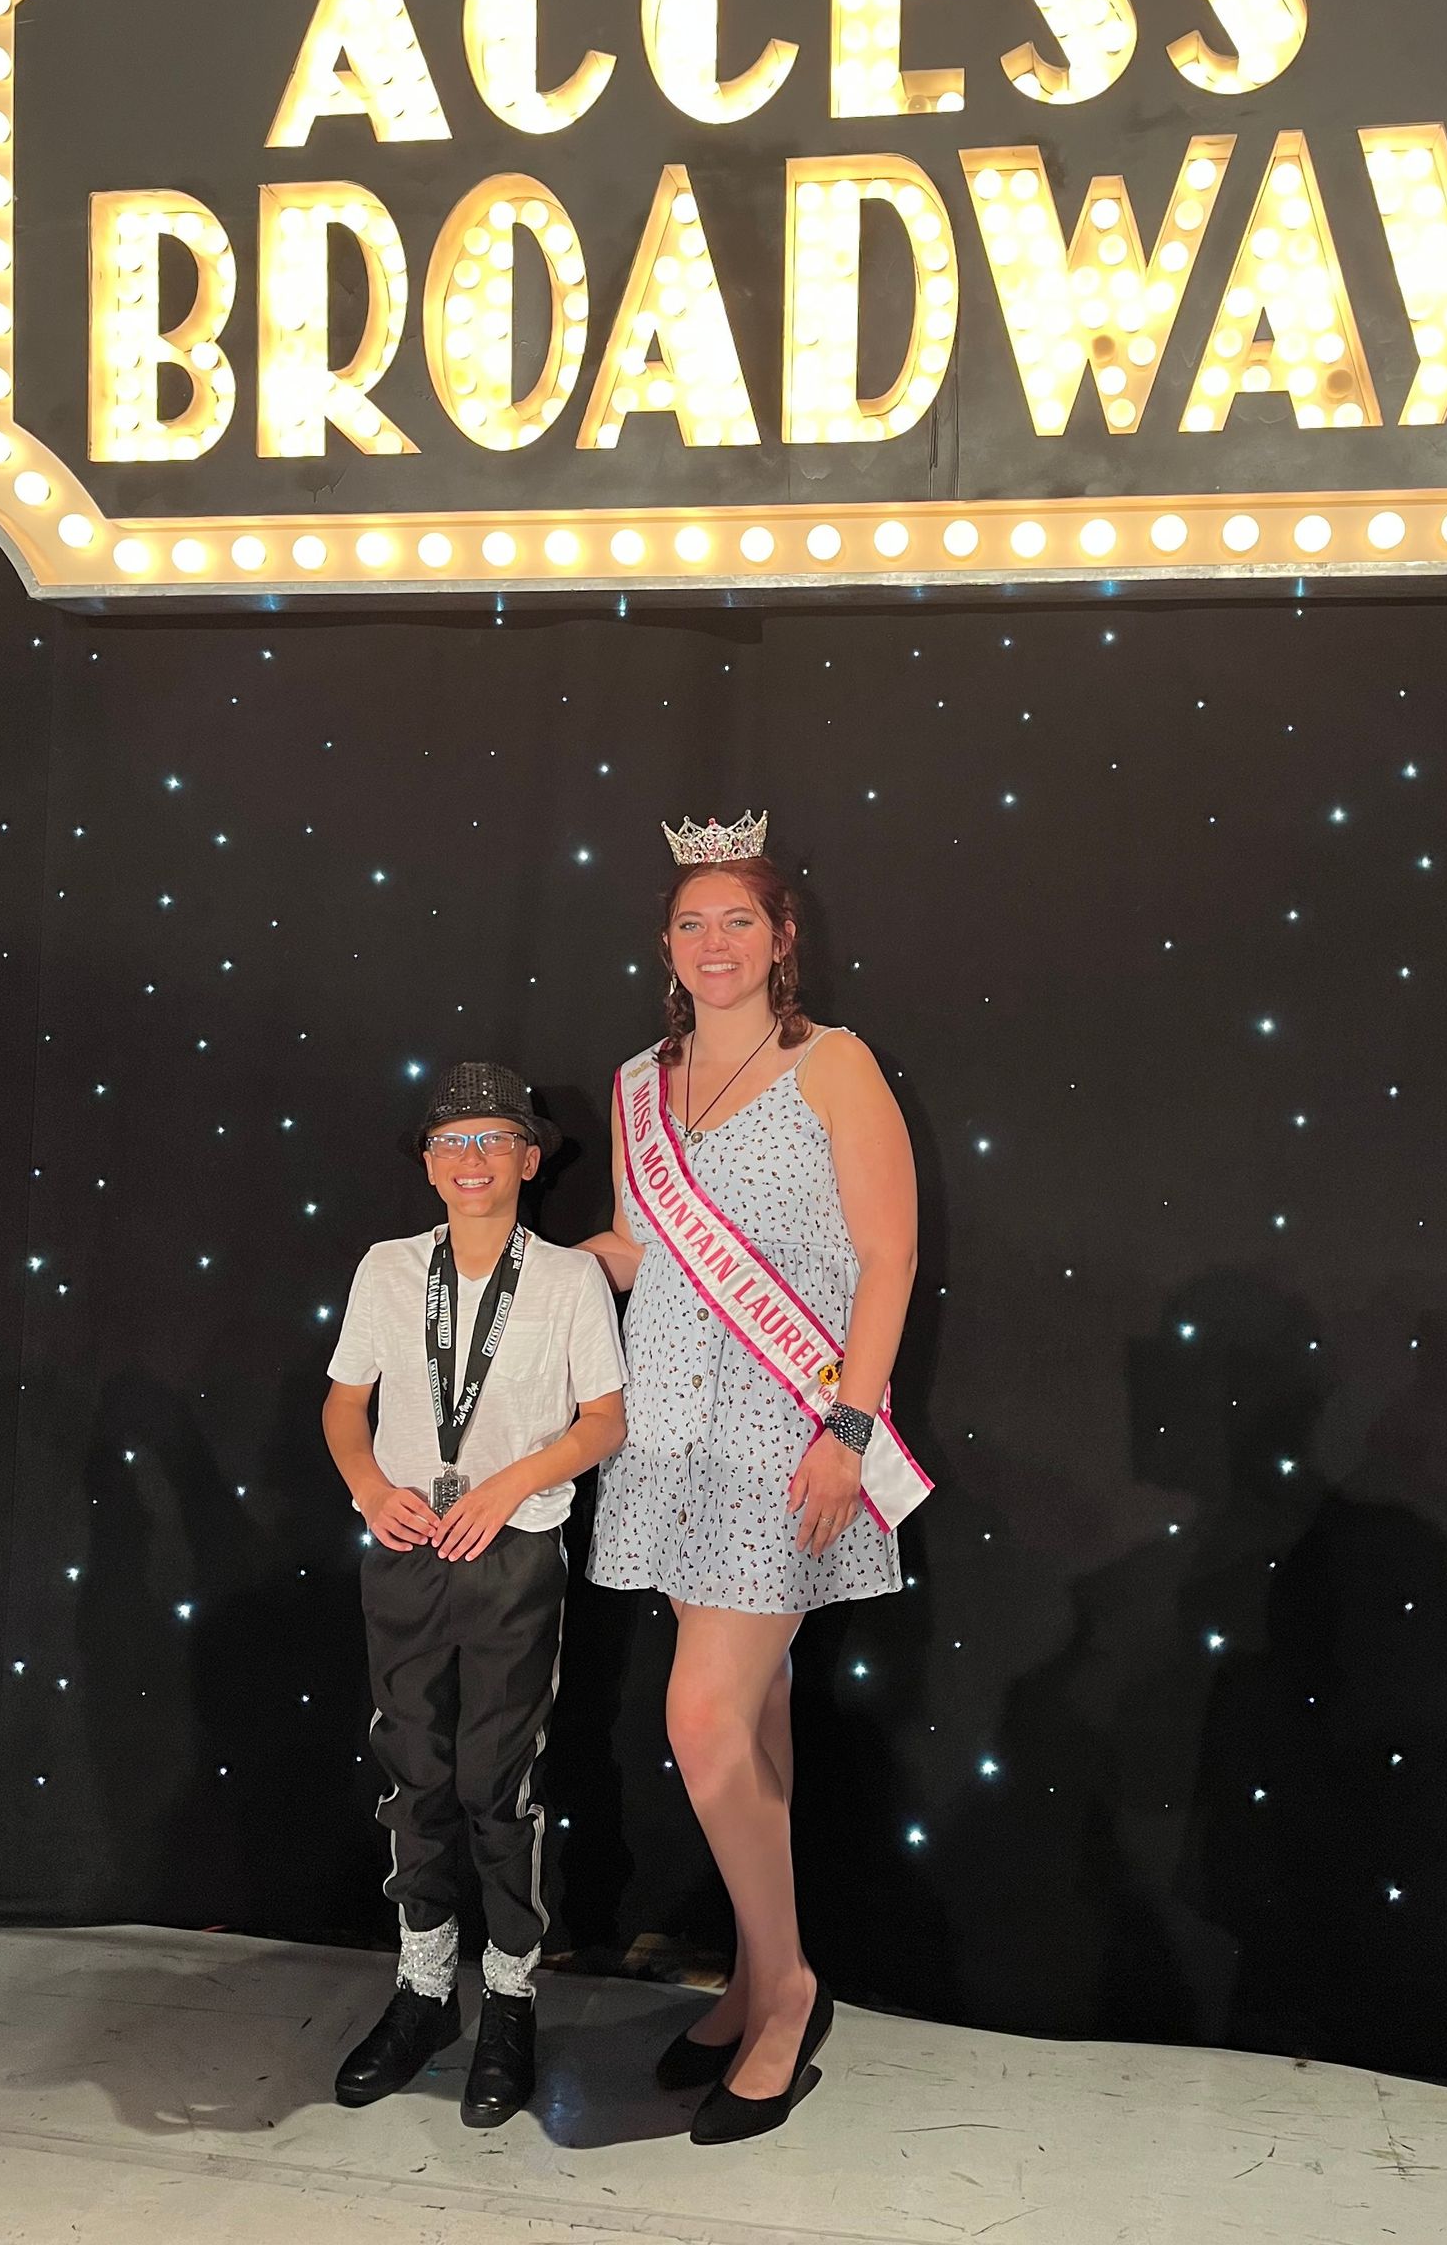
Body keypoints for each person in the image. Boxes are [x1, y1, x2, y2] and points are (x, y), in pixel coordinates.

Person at [581, 812, 932, 2144]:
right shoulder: (635, 1086)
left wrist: (846, 1429)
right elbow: (635, 1246)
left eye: (740, 920)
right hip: (667, 1431)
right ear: (665, 948)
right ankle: (749, 1969)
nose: (714, 943)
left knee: (704, 1720)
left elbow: (888, 1262)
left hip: (786, 1433)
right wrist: (527, 1262)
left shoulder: (832, 1067)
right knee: (760, 1712)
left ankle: (783, 1991)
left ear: (783, 938)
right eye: (692, 923)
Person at [322, 1060, 627, 2125]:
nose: (470, 1158)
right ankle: (420, 1988)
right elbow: (343, 1403)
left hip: (512, 1550)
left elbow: (603, 1421)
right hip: (407, 1546)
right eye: (450, 1141)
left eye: (492, 1139)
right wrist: (368, 1487)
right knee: (413, 1766)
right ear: (426, 1162)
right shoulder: (387, 1268)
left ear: (530, 1159)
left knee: (499, 1777)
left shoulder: (568, 1280)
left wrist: (504, 1486)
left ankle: (507, 1997)